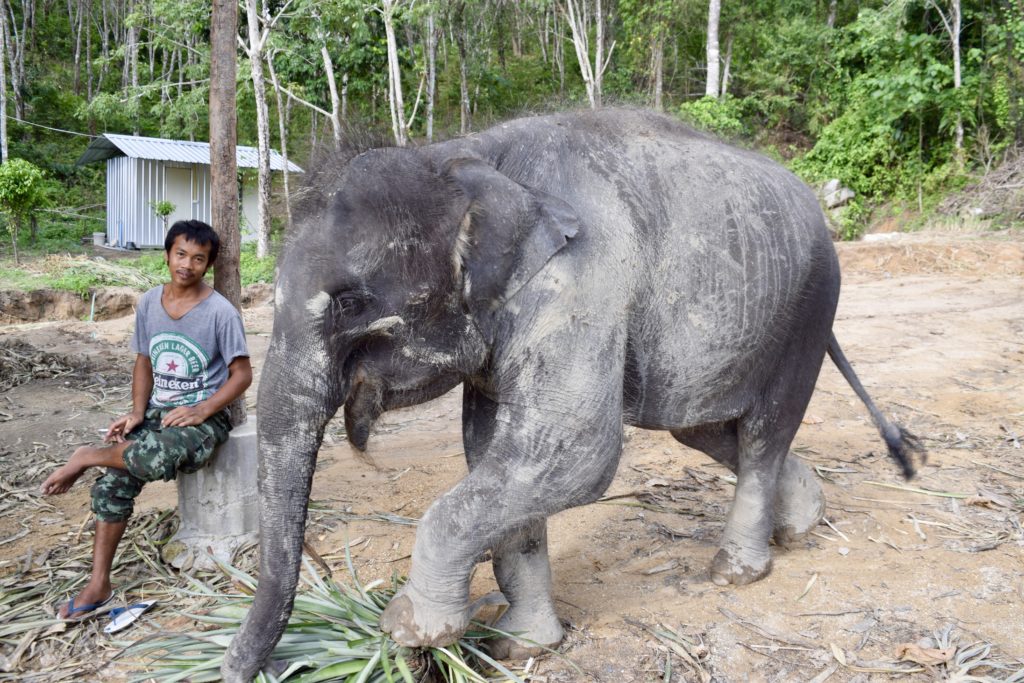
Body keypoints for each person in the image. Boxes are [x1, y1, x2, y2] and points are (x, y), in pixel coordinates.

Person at [40, 220, 253, 620]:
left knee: (155, 458)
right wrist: (137, 412)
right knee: (112, 487)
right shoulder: (150, 303)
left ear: (208, 265)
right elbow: (144, 361)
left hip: (202, 421)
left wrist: (204, 409)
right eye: (181, 254)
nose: (187, 265)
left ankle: (87, 454)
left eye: (198, 259)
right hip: (157, 412)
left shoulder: (220, 312)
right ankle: (99, 583)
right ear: (167, 254)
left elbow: (242, 374)